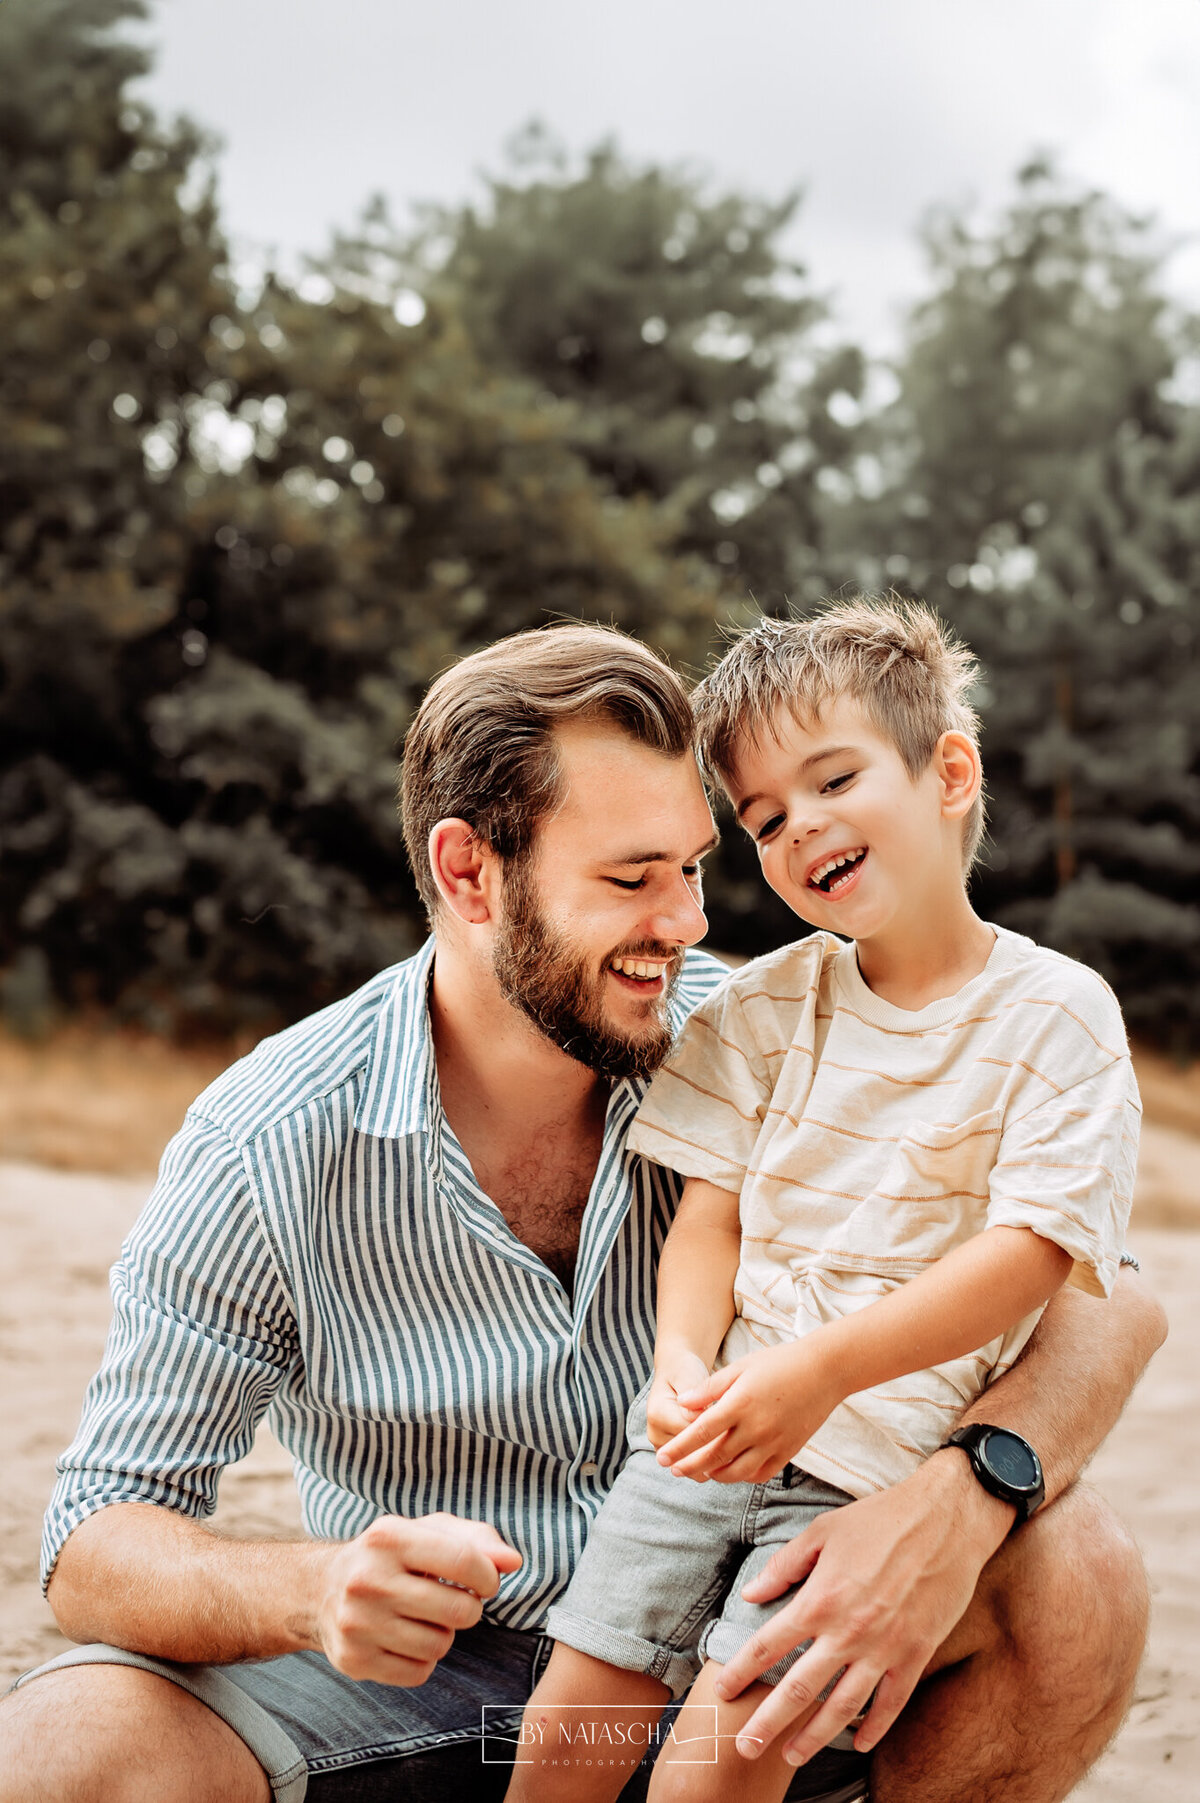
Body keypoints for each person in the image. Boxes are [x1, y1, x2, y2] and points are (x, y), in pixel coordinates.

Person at [0, 622, 1163, 1803]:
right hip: (423, 1697)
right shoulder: (268, 1139)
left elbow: (1111, 1302)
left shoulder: (749, 1037)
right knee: (68, 1743)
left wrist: (959, 1499)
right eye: (629, 879)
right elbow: (97, 1537)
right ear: (471, 875)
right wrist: (314, 1587)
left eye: (695, 865)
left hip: (744, 1660)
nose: (689, 923)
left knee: (1079, 1574)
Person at [508, 600, 1143, 1803]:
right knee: (565, 1742)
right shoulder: (760, 1008)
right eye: (762, 820)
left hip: (863, 1472)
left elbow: (1030, 1255)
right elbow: (712, 1218)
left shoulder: (1058, 1017)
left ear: (948, 769)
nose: (800, 830)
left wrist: (826, 1374)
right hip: (710, 1440)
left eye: (832, 780)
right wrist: (681, 1362)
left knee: (725, 1757)